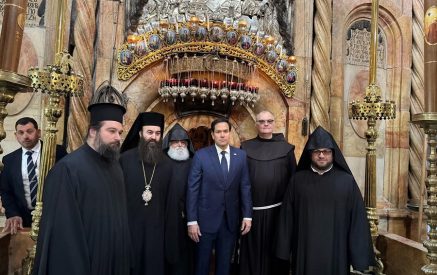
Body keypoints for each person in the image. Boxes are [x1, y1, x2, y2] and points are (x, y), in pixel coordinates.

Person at [32, 103, 131, 275]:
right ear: (93, 131)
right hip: (86, 263)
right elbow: (63, 234)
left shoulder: (115, 167)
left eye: (120, 132)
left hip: (113, 262)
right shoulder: (67, 170)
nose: (118, 138)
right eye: (111, 131)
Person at [276, 126, 375, 275]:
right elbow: (286, 218)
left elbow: (357, 220)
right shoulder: (297, 181)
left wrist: (359, 257)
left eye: (326, 151)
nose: (321, 155)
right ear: (310, 154)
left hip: (336, 251)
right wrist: (283, 250)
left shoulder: (346, 182)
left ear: (333, 154)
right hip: (305, 248)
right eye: (317, 151)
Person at [186, 118, 252, 275]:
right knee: (201, 265)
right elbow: (192, 189)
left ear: (230, 133)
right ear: (213, 135)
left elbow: (245, 186)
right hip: (204, 222)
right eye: (218, 132)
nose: (222, 135)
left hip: (230, 222)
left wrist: (247, 216)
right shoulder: (201, 156)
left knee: (224, 267)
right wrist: (192, 221)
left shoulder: (241, 156)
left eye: (225, 131)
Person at [239, 110, 297, 275]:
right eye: (262, 121)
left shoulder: (286, 150)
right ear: (256, 124)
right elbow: (240, 181)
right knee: (251, 254)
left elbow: (293, 181)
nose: (265, 124)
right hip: (251, 214)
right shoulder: (245, 148)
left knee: (275, 254)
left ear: (274, 123)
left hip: (277, 213)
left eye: (269, 121)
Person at [120, 112, 174, 275]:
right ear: (140, 134)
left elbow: (170, 204)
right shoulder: (124, 160)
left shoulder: (167, 164)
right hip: (129, 230)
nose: (154, 137)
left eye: (158, 133)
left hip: (156, 233)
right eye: (149, 132)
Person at [0, 117, 67, 234]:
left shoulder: (57, 152)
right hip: (23, 219)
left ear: (39, 132)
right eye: (21, 133)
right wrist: (13, 214)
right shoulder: (9, 160)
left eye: (29, 131)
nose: (25, 136)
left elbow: (67, 184)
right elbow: (6, 191)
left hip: (55, 216)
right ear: (16, 135)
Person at [163, 123, 196, 275]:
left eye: (183, 142)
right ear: (168, 143)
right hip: (166, 218)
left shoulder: (193, 163)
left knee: (186, 256)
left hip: (187, 219)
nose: (179, 145)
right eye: (175, 142)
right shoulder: (161, 163)